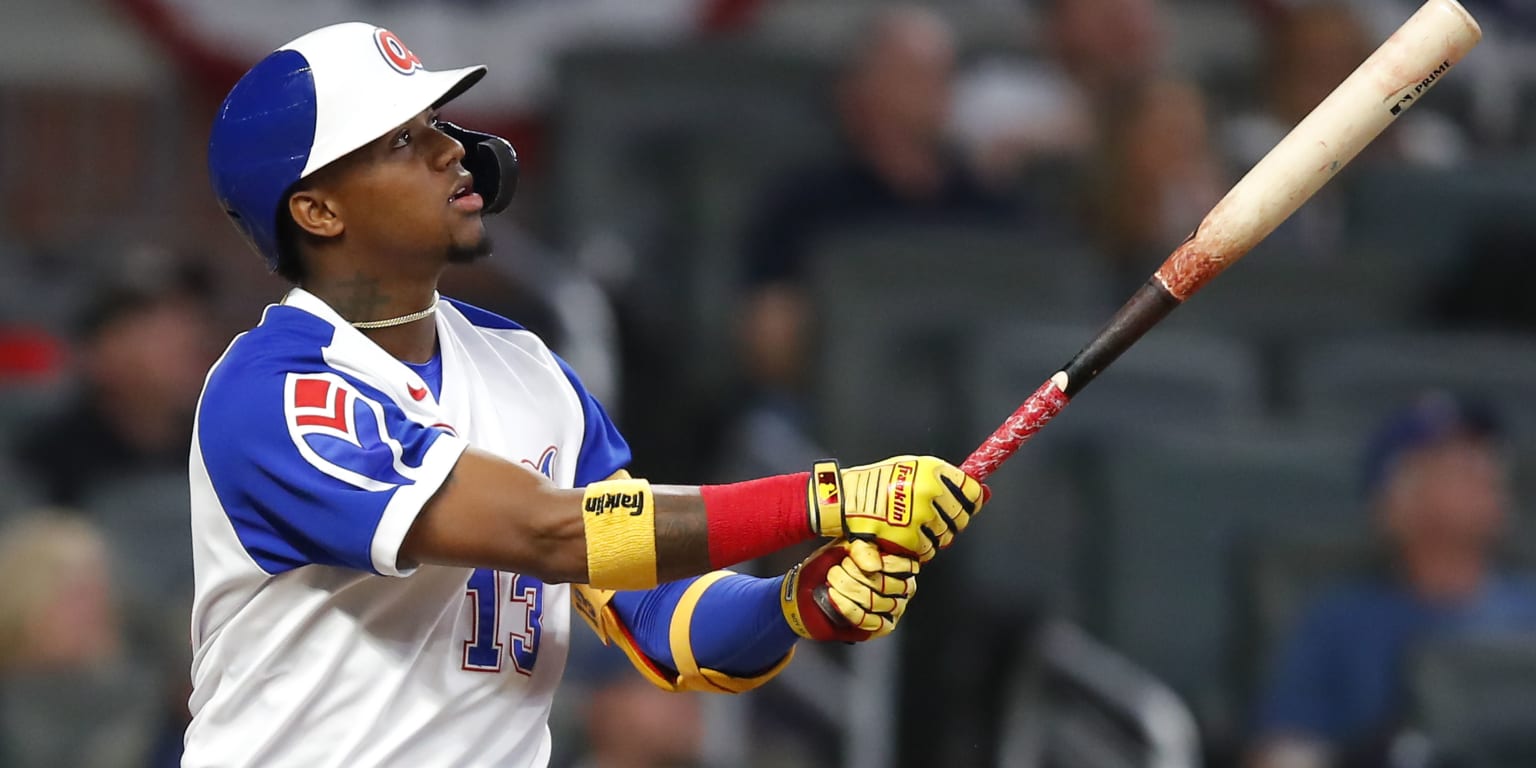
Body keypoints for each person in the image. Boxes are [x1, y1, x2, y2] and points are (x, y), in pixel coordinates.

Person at [188, 22, 989, 767]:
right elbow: (551, 534)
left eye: (440, 124)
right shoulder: (270, 393)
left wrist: (794, 602)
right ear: (317, 209)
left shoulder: (527, 368)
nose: (452, 151)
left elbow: (662, 625)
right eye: (404, 139)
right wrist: (827, 501)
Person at [730, 5, 1014, 476]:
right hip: (830, 421)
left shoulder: (993, 209)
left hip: (972, 425)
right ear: (860, 89)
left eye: (943, 75)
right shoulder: (806, 201)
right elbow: (767, 339)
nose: (934, 90)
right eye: (913, 74)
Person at [1249, 394, 1536, 768]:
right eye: (1454, 466)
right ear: (1394, 503)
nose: (1483, 473)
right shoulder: (1338, 622)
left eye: (1488, 461)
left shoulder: (1529, 608)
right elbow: (1282, 751)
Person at [11, 263, 214, 508]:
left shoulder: (217, 448)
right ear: (96, 352)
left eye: (189, 319)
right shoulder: (46, 460)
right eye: (153, 327)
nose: (187, 339)